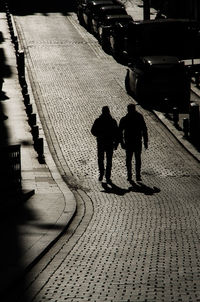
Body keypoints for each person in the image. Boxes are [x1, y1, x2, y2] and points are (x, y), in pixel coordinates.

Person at [119, 104, 148, 182]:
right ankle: (137, 175)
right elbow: (144, 129)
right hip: (137, 141)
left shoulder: (124, 119)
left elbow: (120, 132)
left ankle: (130, 175)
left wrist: (121, 142)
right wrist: (145, 141)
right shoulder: (139, 117)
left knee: (129, 159)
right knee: (137, 159)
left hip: (129, 142)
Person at [91, 106, 119, 183]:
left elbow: (93, 131)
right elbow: (117, 133)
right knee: (109, 160)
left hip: (101, 142)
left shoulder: (98, 120)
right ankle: (107, 175)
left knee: (100, 158)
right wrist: (116, 143)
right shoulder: (113, 121)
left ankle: (101, 173)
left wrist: (99, 135)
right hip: (110, 143)